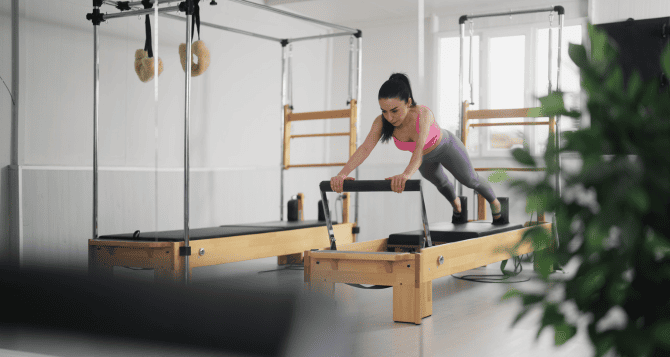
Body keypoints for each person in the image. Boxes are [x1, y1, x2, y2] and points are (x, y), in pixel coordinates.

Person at [329, 73, 503, 223]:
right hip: (424, 159)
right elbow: (365, 149)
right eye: (384, 111)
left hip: (447, 147)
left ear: (408, 102)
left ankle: (495, 203)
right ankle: (457, 205)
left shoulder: (423, 114)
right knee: (440, 183)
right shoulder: (381, 122)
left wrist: (405, 174)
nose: (389, 117)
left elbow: (419, 148)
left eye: (394, 111)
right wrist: (342, 173)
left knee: (471, 180)